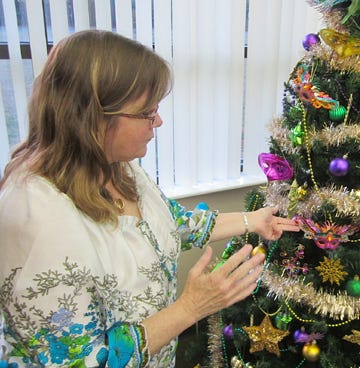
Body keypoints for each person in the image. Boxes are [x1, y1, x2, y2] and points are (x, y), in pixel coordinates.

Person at [0, 30, 299, 367]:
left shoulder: (118, 168)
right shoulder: (36, 214)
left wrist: (252, 219)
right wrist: (191, 308)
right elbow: (81, 361)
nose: (158, 121)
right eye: (146, 112)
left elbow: (171, 223)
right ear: (92, 117)